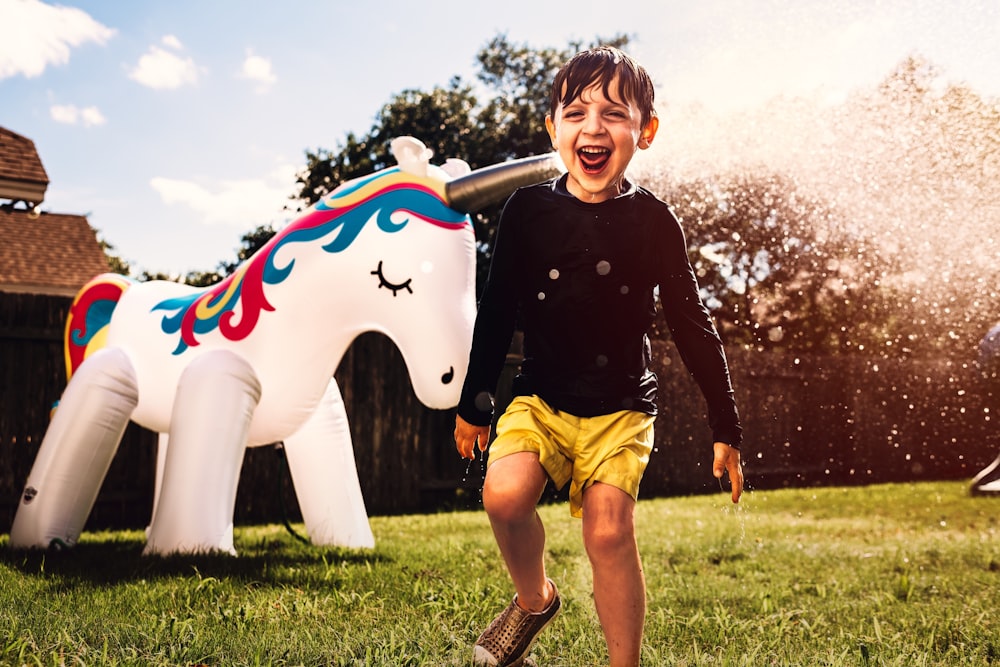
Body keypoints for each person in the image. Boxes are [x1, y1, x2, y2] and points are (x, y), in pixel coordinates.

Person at [454, 45, 744, 667]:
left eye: (614, 114)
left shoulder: (656, 223)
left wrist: (727, 424)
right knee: (504, 496)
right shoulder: (526, 212)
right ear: (552, 128)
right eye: (577, 111)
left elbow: (693, 325)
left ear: (646, 131)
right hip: (540, 398)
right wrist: (474, 403)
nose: (593, 127)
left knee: (608, 530)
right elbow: (497, 311)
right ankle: (533, 602)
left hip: (621, 407)